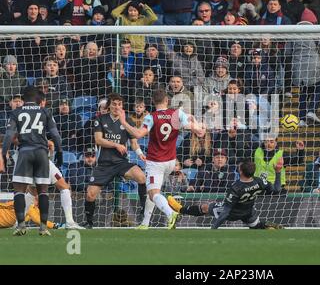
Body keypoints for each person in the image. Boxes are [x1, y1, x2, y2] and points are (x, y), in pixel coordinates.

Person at [118, 89, 206, 229]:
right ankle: (145, 223)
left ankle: (171, 213)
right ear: (167, 101)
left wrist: (124, 121)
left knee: (153, 194)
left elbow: (138, 134)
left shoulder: (151, 117)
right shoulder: (177, 114)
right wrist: (196, 124)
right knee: (152, 191)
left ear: (153, 102)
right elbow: (199, 131)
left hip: (156, 162)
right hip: (171, 161)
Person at [1, 86, 64, 236]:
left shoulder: (16, 112)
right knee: (43, 192)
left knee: (19, 191)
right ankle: (43, 228)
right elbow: (55, 134)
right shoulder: (45, 112)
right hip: (42, 153)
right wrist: (60, 152)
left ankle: (21, 225)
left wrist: (4, 154)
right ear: (40, 101)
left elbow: (9, 135)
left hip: (25, 152)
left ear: (23, 100)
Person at [82, 93, 148, 229]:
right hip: (104, 164)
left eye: (119, 104)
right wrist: (116, 145)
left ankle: (143, 211)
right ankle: (89, 222)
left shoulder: (127, 121)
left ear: (122, 106)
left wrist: (140, 154)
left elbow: (134, 143)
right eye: (114, 104)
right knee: (90, 195)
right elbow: (98, 140)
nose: (116, 107)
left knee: (141, 177)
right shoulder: (100, 119)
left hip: (121, 163)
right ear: (109, 106)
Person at [167, 159, 283, 229]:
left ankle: (180, 209)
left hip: (233, 213)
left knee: (205, 207)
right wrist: (278, 172)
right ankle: (269, 226)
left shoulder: (236, 187)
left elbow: (226, 212)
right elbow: (277, 189)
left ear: (241, 171)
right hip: (248, 211)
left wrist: (214, 228)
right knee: (255, 226)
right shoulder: (259, 181)